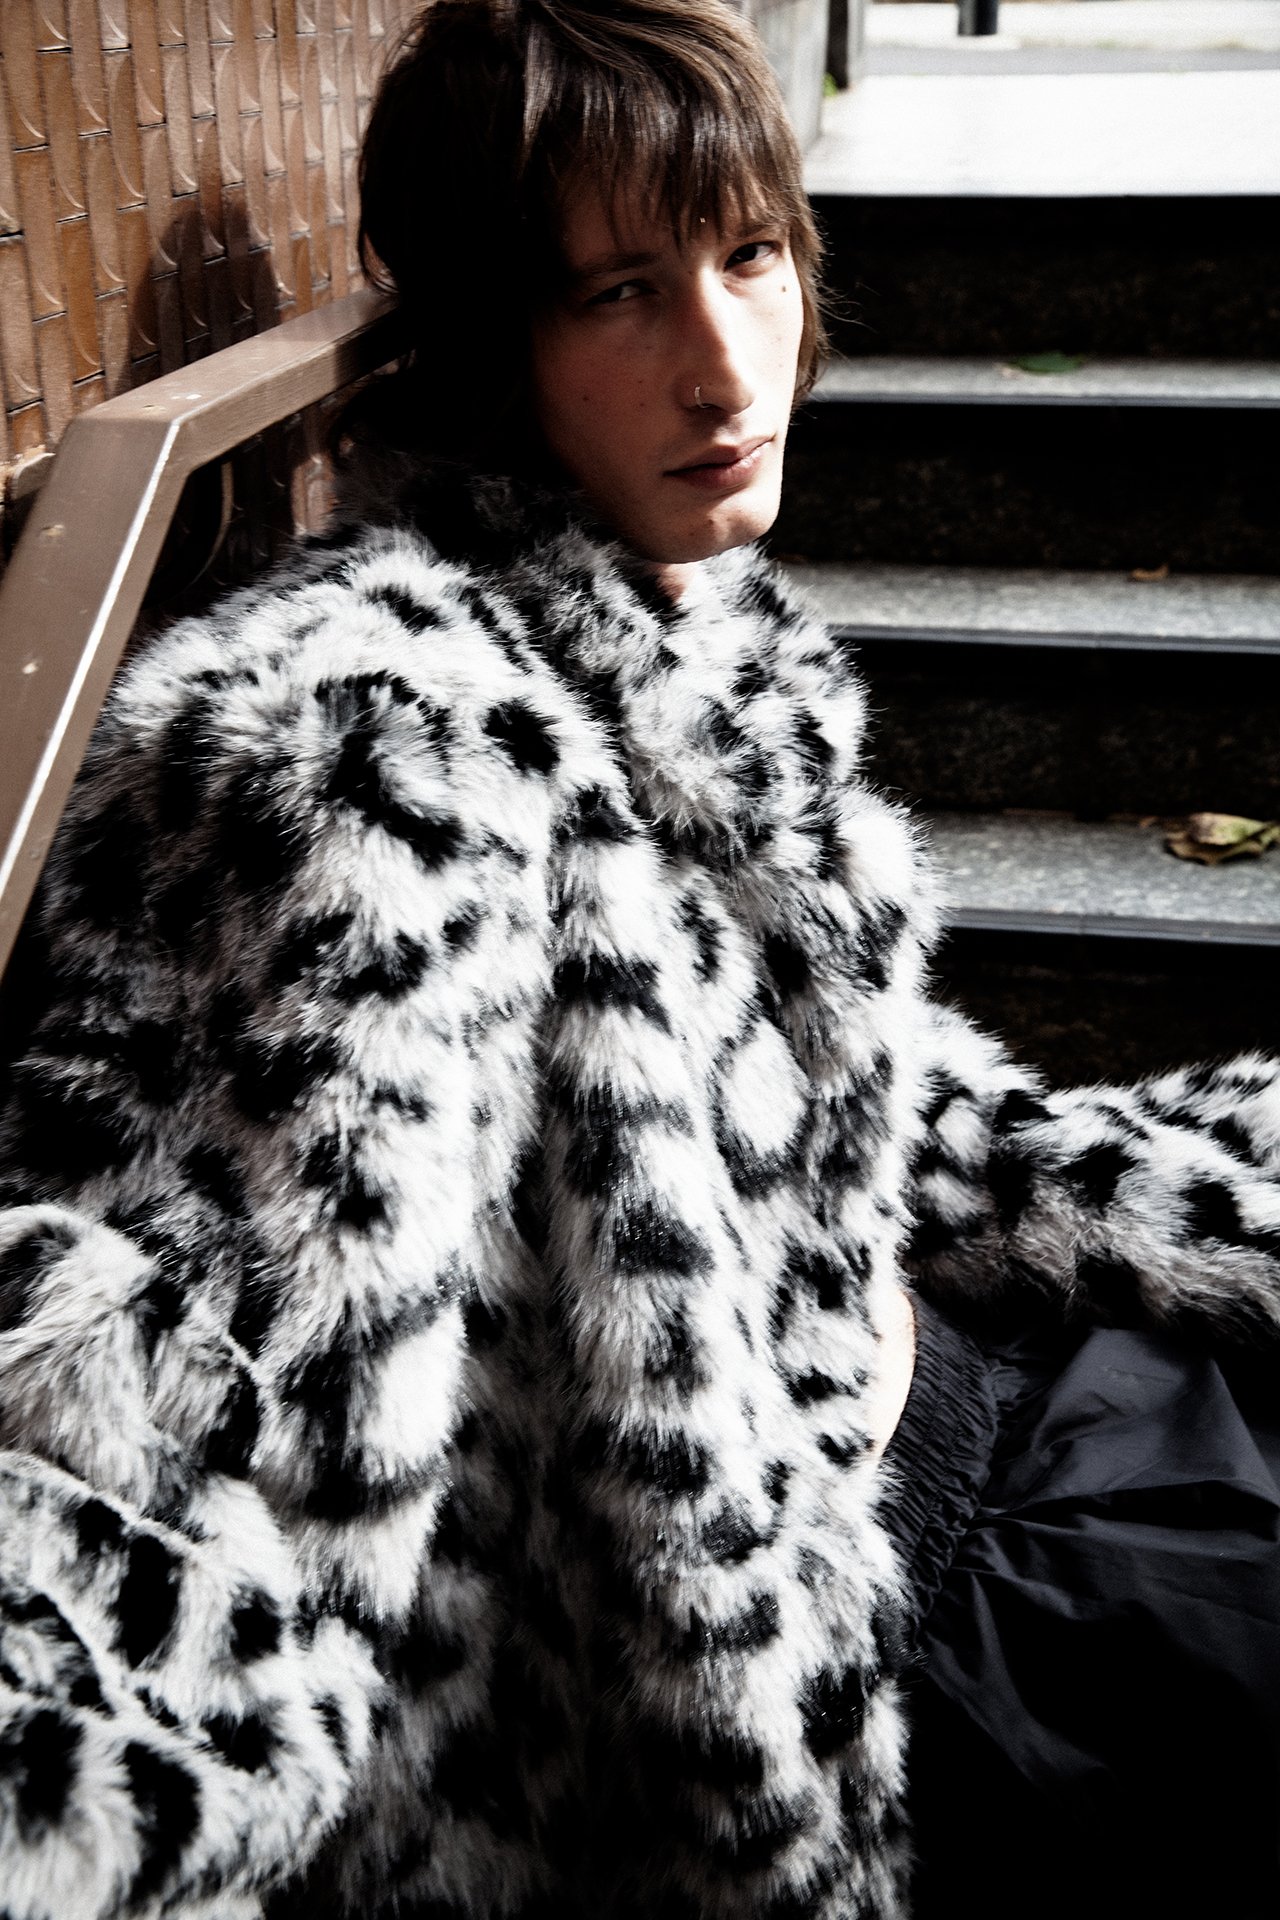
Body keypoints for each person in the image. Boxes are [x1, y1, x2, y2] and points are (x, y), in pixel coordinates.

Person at [0, 3, 1276, 1916]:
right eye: (615, 293)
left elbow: (851, 1102)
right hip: (879, 1620)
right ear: (494, 344)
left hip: (968, 1386)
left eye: (750, 256)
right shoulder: (377, 759)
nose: (719, 362)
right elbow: (199, 1385)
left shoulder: (682, 630)